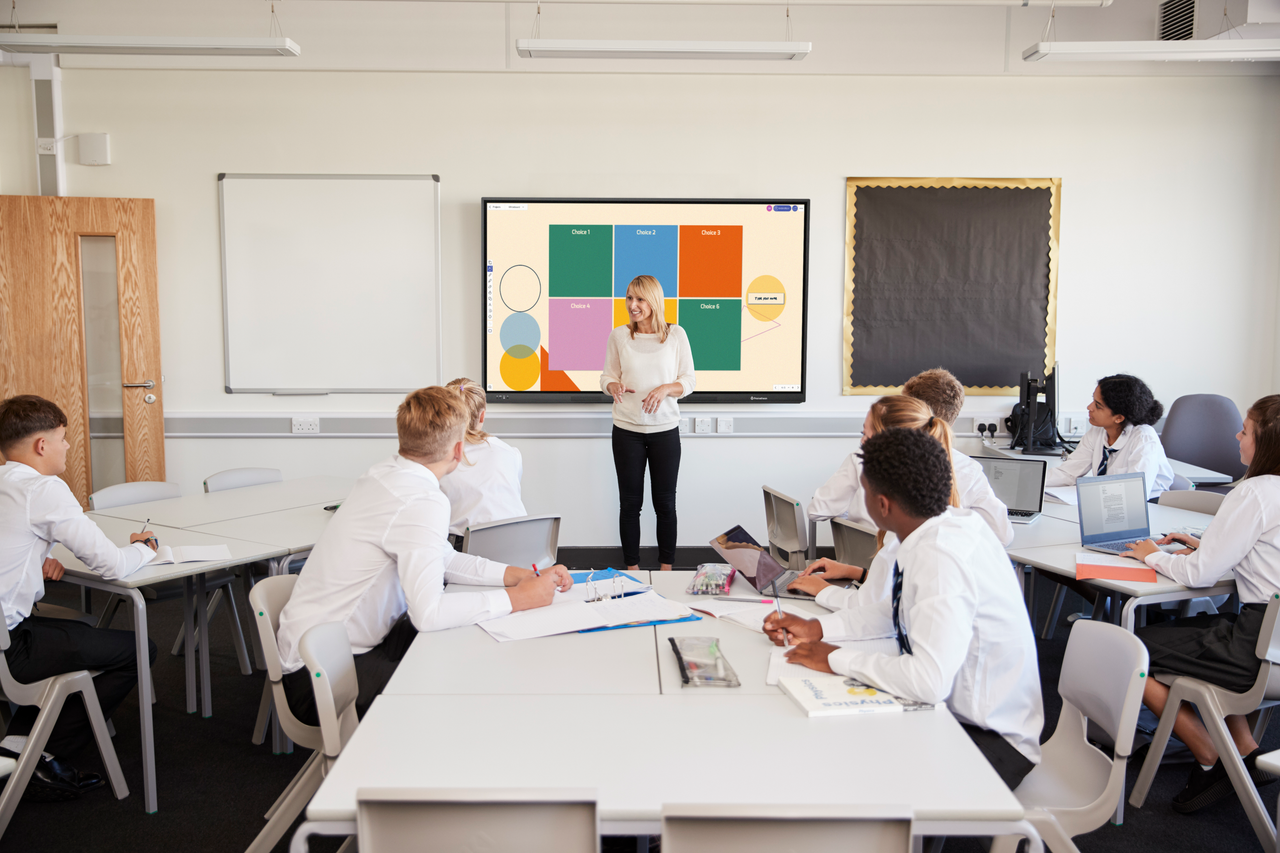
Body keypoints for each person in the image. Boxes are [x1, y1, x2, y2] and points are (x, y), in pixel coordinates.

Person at [275, 386, 573, 726]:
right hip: (321, 674)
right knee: (462, 686)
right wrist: (517, 599)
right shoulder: (422, 500)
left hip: (324, 649)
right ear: (459, 450)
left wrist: (515, 576)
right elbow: (428, 615)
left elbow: (442, 557)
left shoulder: (384, 474)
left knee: (466, 643)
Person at [764, 428, 1044, 789]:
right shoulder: (937, 528)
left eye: (862, 491)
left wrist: (833, 657)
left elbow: (928, 682)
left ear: (882, 504)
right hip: (960, 711)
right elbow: (894, 611)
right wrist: (820, 630)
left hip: (989, 739)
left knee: (834, 768)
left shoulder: (941, 555)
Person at [1121, 395, 1280, 813]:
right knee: (1204, 630)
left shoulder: (1256, 492)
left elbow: (1199, 577)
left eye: (1245, 431)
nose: (1236, 435)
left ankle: (1211, 754)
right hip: (1273, 641)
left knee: (1130, 650)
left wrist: (1151, 555)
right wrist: (1206, 544)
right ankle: (1244, 748)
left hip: (1257, 651)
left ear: (1266, 443)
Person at [0, 395, 158, 801]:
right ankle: (41, 751)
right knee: (138, 648)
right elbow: (113, 566)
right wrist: (146, 548)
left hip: (8, 630)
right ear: (41, 445)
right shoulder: (44, 489)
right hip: (9, 648)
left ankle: (16, 742)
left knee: (72, 636)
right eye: (63, 438)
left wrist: (43, 554)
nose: (68, 446)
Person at [795, 395, 1014, 602]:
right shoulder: (916, 520)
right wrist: (857, 573)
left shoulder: (925, 538)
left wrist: (823, 592)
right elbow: (889, 597)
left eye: (866, 436)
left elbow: (878, 611)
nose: (861, 445)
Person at [808, 368, 1014, 547]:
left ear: (908, 411)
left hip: (868, 573)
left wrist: (850, 520)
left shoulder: (865, 459)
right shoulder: (968, 469)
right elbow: (1002, 535)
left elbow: (817, 509)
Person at [599, 274, 696, 572]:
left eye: (639, 299)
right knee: (630, 505)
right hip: (626, 431)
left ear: (653, 301)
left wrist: (666, 388)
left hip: (665, 432)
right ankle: (633, 569)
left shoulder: (676, 335)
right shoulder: (619, 336)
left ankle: (667, 569)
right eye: (629, 298)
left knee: (665, 505)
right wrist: (612, 386)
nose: (632, 305)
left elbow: (688, 381)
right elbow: (607, 377)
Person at [1045, 374, 1174, 500]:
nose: (1089, 407)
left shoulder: (1144, 438)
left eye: (1097, 405)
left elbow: (1135, 494)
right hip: (1109, 503)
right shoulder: (1097, 431)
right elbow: (1069, 472)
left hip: (1149, 506)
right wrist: (1032, 479)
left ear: (1118, 418)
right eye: (1093, 400)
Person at [439, 378, 526, 549]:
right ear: (482, 415)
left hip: (465, 552)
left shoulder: (437, 458)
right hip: (518, 548)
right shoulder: (511, 453)